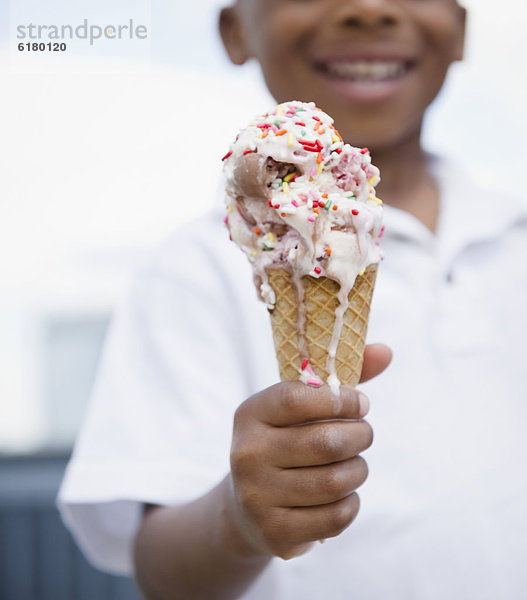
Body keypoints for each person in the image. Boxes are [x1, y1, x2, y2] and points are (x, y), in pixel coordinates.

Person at [58, 1, 527, 599]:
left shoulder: (517, 239)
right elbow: (161, 573)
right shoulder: (193, 270)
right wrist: (238, 522)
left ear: (460, 27)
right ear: (234, 31)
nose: (368, 9)